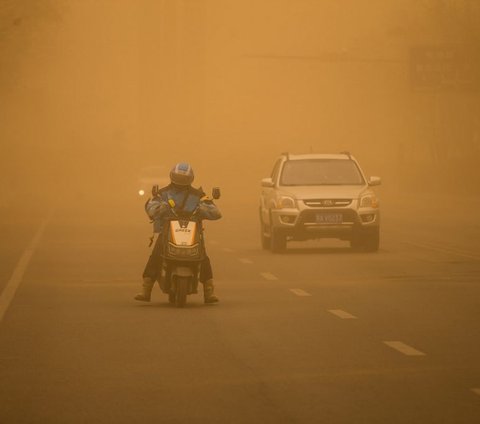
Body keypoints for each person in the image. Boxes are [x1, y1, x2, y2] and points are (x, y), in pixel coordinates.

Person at [134, 162, 221, 304]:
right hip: (167, 232)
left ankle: (208, 290)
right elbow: (151, 208)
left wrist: (203, 210)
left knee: (202, 256)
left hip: (193, 233)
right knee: (156, 255)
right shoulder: (162, 194)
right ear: (172, 177)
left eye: (184, 179)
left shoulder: (199, 195)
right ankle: (146, 289)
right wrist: (161, 208)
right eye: (178, 178)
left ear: (190, 179)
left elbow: (216, 212)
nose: (180, 182)